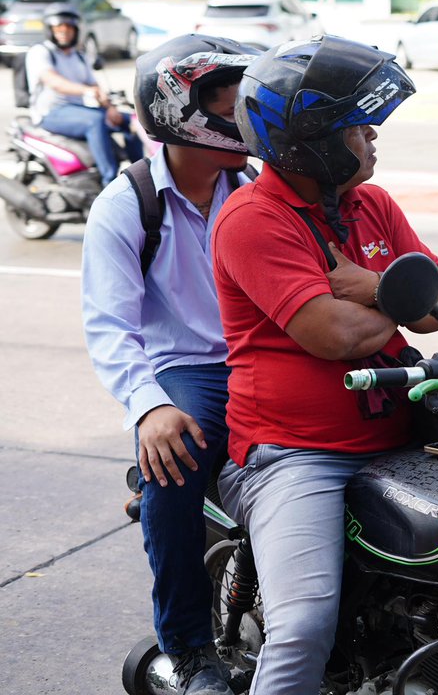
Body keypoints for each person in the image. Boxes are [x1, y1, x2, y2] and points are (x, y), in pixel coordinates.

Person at [212, 36, 438, 695]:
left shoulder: (373, 206)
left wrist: (366, 283)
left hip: (401, 443)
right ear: (314, 142)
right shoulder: (253, 218)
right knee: (302, 625)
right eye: (360, 126)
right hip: (298, 456)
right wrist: (396, 296)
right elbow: (334, 335)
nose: (375, 136)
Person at [82, 34, 263, 695]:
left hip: (263, 358)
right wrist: (150, 405)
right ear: (181, 106)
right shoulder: (127, 204)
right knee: (174, 462)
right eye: (227, 96)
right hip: (189, 371)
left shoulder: (256, 189)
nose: (244, 107)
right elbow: (109, 325)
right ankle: (186, 649)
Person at [24, 7, 141, 185]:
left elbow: (94, 85)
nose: (64, 33)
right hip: (51, 114)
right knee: (94, 121)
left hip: (76, 110)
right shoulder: (40, 52)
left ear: (75, 31)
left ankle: (140, 175)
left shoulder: (79, 56)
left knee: (131, 121)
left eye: (68, 29)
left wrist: (110, 108)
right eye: (59, 28)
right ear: (50, 30)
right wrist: (86, 91)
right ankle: (108, 180)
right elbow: (54, 82)